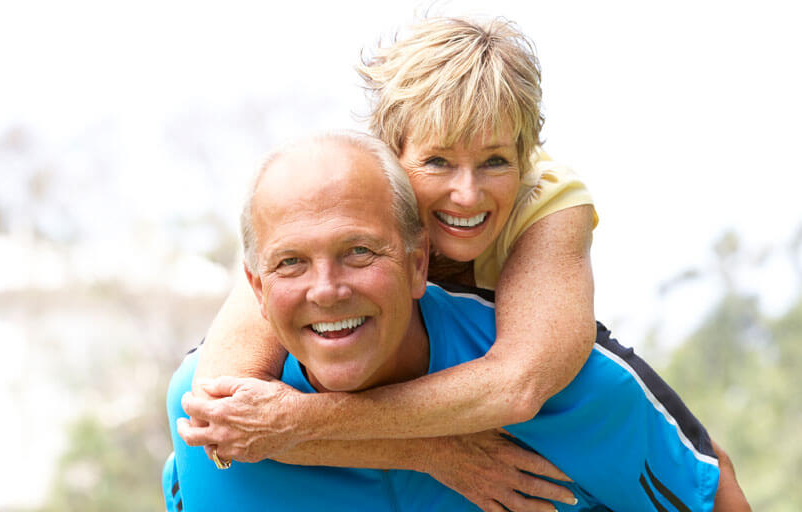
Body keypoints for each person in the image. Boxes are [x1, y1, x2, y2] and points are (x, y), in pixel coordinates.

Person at [164, 132, 749, 511]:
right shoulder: (216, 416)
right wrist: (429, 449)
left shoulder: (572, 390)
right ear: (257, 289)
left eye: (360, 252)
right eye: (292, 263)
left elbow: (706, 486)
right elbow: (223, 420)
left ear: (419, 263)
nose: (327, 288)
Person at [182, 16, 600, 507]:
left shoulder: (547, 201)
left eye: (493, 161)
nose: (466, 195)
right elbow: (223, 408)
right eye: (438, 161)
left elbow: (518, 384)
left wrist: (298, 420)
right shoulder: (351, 199)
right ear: (393, 153)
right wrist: (431, 453)